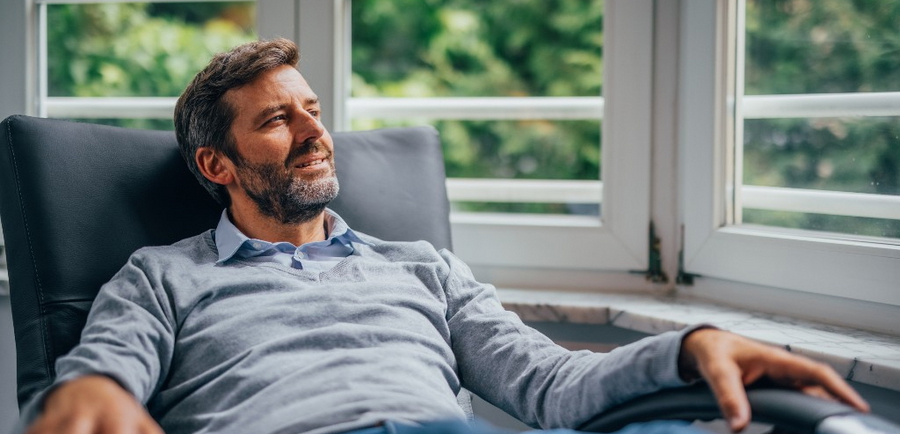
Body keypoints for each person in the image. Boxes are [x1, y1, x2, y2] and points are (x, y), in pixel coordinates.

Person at [16, 38, 868, 434]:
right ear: (218, 164)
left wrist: (694, 345)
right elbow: (104, 374)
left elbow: (552, 386)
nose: (316, 132)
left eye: (314, 111)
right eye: (278, 121)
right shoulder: (163, 275)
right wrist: (91, 393)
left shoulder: (421, 268)